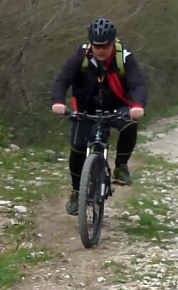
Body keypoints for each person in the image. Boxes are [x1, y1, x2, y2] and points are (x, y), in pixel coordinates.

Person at [51, 18, 147, 215]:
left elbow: (138, 84)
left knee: (130, 124)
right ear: (91, 43)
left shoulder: (124, 57)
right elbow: (62, 80)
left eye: (105, 46)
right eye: (97, 46)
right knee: (77, 147)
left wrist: (137, 105)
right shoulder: (81, 55)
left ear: (113, 42)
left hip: (117, 107)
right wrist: (58, 101)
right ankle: (77, 191)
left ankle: (121, 166)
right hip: (86, 108)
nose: (101, 50)